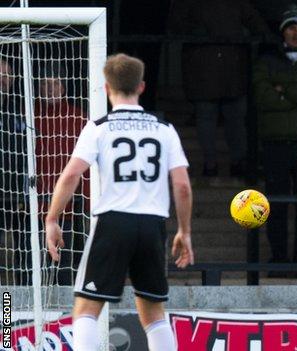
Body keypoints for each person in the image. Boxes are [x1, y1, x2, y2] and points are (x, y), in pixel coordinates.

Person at [44, 54, 194, 351]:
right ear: (141, 87)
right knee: (153, 314)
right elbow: (182, 186)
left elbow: (72, 173)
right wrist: (184, 231)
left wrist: (51, 218)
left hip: (113, 221)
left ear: (106, 87)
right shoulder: (164, 129)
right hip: (152, 225)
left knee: (86, 310)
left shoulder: (99, 127)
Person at [168, 0, 270, 177]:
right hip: (225, 67)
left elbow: (175, 24)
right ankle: (233, 162)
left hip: (211, 68)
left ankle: (213, 164)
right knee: (229, 118)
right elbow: (254, 21)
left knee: (219, 118)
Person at [253, 5, 297, 265]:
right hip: (275, 143)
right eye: (291, 27)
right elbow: (262, 95)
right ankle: (279, 258)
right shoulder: (267, 61)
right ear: (283, 32)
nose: (296, 33)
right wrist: (291, 94)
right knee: (276, 204)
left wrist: (283, 90)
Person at [35, 66, 88, 286]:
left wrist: (86, 199)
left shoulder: (79, 118)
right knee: (29, 268)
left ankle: (66, 316)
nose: (50, 88)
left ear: (64, 87)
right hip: (31, 206)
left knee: (64, 270)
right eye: (45, 84)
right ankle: (13, 317)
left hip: (69, 208)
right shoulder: (28, 115)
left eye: (55, 83)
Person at [0, 59, 29, 285]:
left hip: (18, 194)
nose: (4, 78)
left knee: (24, 253)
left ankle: (19, 305)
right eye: (0, 74)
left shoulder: (22, 107)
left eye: (8, 74)